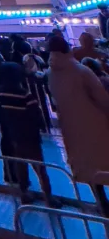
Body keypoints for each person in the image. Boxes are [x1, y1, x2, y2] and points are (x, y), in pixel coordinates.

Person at [47, 32, 109, 216]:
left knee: (89, 168)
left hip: (71, 128)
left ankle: (102, 204)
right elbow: (102, 99)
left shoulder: (50, 73)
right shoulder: (81, 71)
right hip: (96, 126)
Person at [0, 62, 55, 204]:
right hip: (30, 135)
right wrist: (41, 126)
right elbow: (36, 114)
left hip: (13, 134)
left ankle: (24, 193)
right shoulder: (25, 95)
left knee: (20, 165)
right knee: (39, 166)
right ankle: (48, 196)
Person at [23, 53, 53, 133]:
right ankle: (44, 125)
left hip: (37, 89)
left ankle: (45, 125)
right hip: (35, 90)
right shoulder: (36, 59)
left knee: (41, 106)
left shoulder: (32, 59)